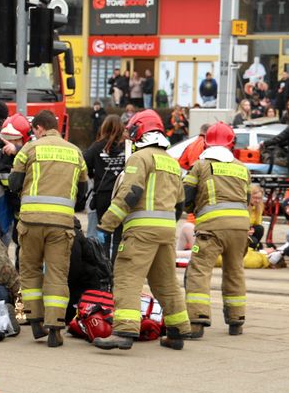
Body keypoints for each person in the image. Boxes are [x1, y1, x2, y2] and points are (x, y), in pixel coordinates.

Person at [94, 110, 190, 351]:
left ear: (140, 131)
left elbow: (131, 192)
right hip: (166, 231)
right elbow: (180, 203)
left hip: (141, 232)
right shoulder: (171, 162)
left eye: (131, 130)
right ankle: (178, 331)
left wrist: (107, 224)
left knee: (127, 277)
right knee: (166, 282)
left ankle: (124, 331)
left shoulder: (140, 158)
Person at [9, 110, 87, 348]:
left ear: (39, 128)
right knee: (56, 274)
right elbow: (83, 193)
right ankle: (55, 327)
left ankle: (35, 321)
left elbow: (14, 183)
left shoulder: (29, 150)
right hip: (61, 224)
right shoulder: (76, 152)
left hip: (31, 222)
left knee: (30, 270)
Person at [182, 122, 250, 337]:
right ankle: (236, 321)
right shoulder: (241, 167)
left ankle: (197, 321)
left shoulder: (200, 166)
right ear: (231, 143)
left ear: (206, 142)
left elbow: (186, 197)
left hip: (212, 228)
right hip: (240, 228)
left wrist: (194, 209)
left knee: (199, 271)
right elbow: (246, 199)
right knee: (235, 271)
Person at [84, 114, 127, 241]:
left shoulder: (97, 147)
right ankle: (115, 260)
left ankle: (103, 259)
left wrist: (94, 176)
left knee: (103, 232)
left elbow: (84, 163)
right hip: (122, 195)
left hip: (102, 194)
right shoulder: (127, 147)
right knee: (119, 235)